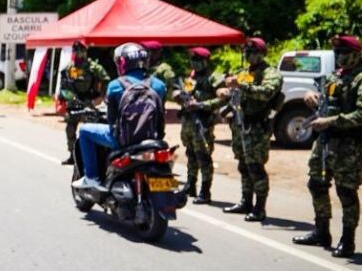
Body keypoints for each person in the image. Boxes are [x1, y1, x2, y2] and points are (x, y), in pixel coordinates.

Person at [292, 35, 362, 258]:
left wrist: (331, 121)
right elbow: (323, 97)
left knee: (346, 192)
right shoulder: (334, 76)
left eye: (343, 53)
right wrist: (310, 96)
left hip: (348, 145)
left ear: (354, 55)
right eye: (337, 53)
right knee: (316, 184)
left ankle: (348, 240)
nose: (339, 57)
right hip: (324, 142)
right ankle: (322, 231)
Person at [72, 43, 168, 191]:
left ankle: (91, 177)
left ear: (123, 63)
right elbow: (161, 114)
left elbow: (112, 119)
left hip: (123, 140)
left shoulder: (115, 85)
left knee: (84, 130)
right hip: (153, 140)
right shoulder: (159, 85)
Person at [217, 37, 283, 222]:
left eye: (252, 52)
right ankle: (246, 201)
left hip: (257, 127)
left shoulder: (271, 73)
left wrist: (241, 85)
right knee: (244, 166)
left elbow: (266, 92)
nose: (248, 56)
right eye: (246, 52)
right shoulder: (244, 72)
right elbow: (235, 94)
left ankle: (259, 207)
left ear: (262, 54)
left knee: (256, 167)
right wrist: (224, 93)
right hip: (240, 125)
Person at [175, 47, 223, 204]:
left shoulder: (214, 78)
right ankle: (191, 184)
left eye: (197, 61)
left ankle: (205, 190)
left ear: (205, 62)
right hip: (189, 123)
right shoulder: (192, 77)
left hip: (202, 123)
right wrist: (179, 97)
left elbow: (224, 99)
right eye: (192, 60)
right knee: (191, 154)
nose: (193, 64)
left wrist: (201, 105)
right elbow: (186, 94)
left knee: (203, 157)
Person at [57, 41, 109, 164]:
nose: (77, 54)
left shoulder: (93, 67)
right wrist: (63, 97)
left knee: (90, 130)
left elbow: (106, 80)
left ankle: (93, 158)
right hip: (74, 102)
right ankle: (73, 155)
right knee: (70, 129)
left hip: (89, 102)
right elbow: (64, 84)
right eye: (75, 51)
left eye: (80, 51)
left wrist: (100, 97)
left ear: (85, 52)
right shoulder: (70, 67)